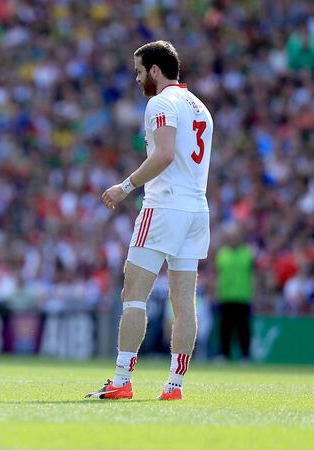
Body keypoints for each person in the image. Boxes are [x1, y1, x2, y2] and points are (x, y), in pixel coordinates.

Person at [86, 40, 213, 401]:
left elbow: (164, 154)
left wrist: (125, 187)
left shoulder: (161, 102)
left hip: (163, 207)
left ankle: (122, 379)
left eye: (140, 71)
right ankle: (174, 385)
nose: (137, 77)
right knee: (184, 302)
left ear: (155, 71)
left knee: (134, 295)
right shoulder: (200, 107)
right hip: (196, 210)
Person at [215, 223, 255, 361]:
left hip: (243, 296)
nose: (233, 239)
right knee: (225, 329)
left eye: (235, 237)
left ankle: (245, 355)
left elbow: (255, 275)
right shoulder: (222, 253)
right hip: (225, 296)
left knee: (243, 329)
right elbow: (217, 275)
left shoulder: (248, 253)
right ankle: (224, 354)